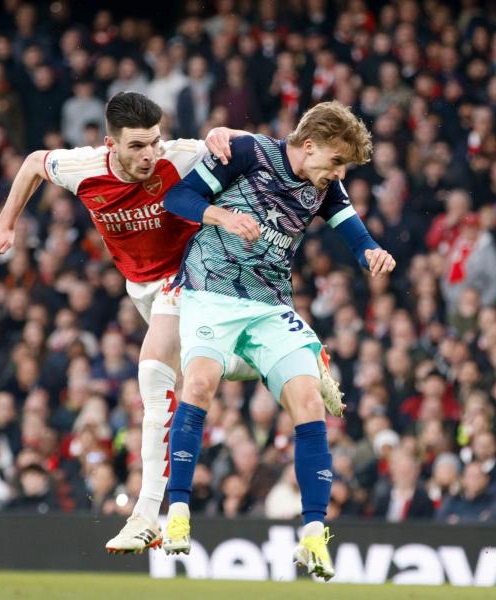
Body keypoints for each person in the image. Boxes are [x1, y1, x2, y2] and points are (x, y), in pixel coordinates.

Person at [0, 91, 258, 554]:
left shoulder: (180, 157)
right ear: (111, 144)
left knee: (152, 375)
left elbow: (262, 148)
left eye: (154, 141)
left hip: (193, 272)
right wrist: (6, 224)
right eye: (136, 146)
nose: (149, 154)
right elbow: (31, 163)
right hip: (141, 288)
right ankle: (300, 353)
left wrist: (229, 133)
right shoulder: (84, 169)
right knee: (202, 376)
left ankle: (146, 513)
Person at [160, 101, 395, 581]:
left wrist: (371, 251)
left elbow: (352, 229)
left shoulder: (323, 185)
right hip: (212, 292)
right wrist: (221, 217)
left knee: (309, 401)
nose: (338, 172)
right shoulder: (246, 152)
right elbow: (177, 199)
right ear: (309, 145)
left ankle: (313, 533)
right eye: (336, 161)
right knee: (200, 382)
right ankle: (178, 511)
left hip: (270, 305)